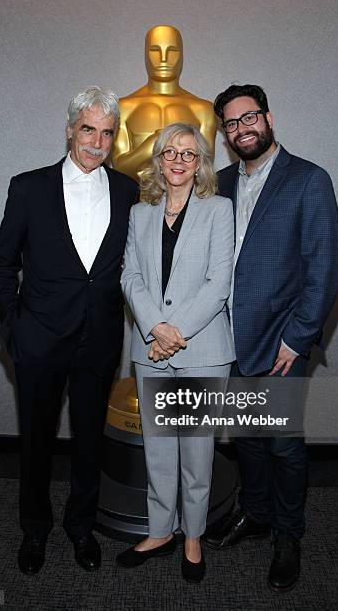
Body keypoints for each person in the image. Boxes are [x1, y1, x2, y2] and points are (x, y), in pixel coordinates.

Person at [0, 86, 139, 575]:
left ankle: (81, 528)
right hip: (38, 342)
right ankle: (34, 529)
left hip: (98, 341)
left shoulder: (127, 191)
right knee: (35, 442)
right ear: (71, 129)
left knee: (90, 442)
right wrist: (13, 330)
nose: (97, 141)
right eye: (88, 129)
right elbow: (2, 265)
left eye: (107, 132)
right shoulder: (28, 187)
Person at [204, 84, 338, 591]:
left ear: (269, 118)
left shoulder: (307, 179)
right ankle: (255, 514)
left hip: (281, 344)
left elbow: (324, 268)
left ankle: (288, 532)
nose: (243, 129)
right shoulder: (217, 183)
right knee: (247, 440)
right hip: (231, 340)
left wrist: (299, 338)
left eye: (250, 118)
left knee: (282, 443)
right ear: (225, 133)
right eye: (232, 124)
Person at [117, 123, 235, 583]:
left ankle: (193, 535)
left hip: (202, 350)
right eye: (170, 151)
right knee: (160, 450)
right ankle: (161, 530)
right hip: (151, 349)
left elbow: (218, 284)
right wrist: (155, 327)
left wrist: (175, 331)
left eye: (189, 153)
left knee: (198, 452)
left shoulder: (218, 209)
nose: (179, 160)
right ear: (158, 160)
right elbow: (130, 279)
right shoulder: (140, 214)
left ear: (201, 161)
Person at [112, 25, 216, 181]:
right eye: (155, 50)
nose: (163, 58)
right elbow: (119, 168)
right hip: (136, 202)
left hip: (189, 202)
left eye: (172, 50)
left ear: (182, 55)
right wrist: (153, 144)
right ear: (145, 55)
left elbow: (204, 168)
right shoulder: (123, 107)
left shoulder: (204, 110)